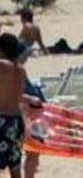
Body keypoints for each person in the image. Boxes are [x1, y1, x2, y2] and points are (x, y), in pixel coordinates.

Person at [0, 33, 42, 178]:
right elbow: (16, 97)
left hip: (2, 121)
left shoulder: (2, 67)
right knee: (15, 167)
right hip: (17, 122)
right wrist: (30, 99)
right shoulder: (20, 70)